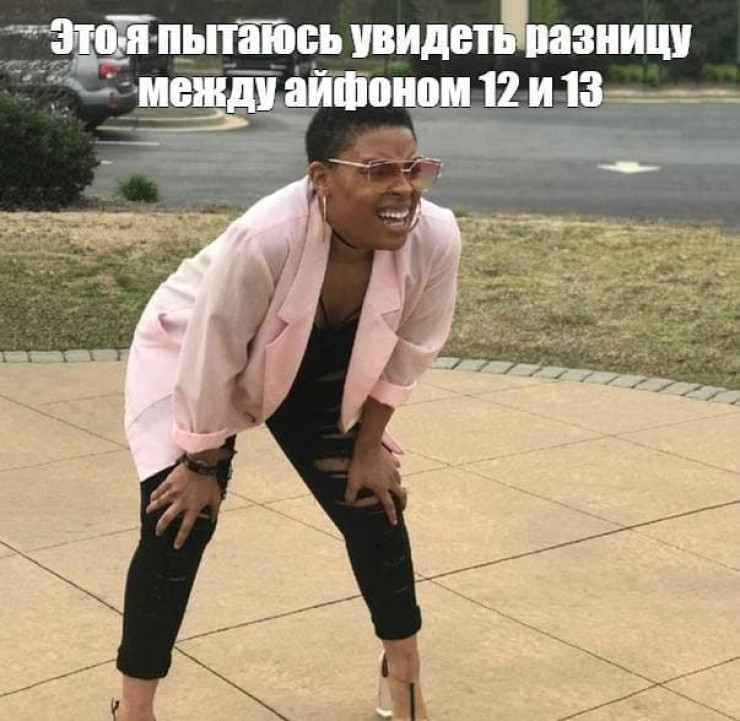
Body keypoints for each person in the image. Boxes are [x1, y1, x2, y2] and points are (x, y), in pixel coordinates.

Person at [113, 105, 461, 721]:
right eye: (379, 170)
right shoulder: (266, 236)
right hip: (195, 358)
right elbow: (213, 354)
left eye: (413, 168)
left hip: (316, 360)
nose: (404, 188)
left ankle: (404, 679)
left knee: (373, 502)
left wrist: (368, 447)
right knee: (178, 522)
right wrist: (202, 464)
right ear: (322, 178)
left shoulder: (435, 236)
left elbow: (410, 349)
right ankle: (133, 711)